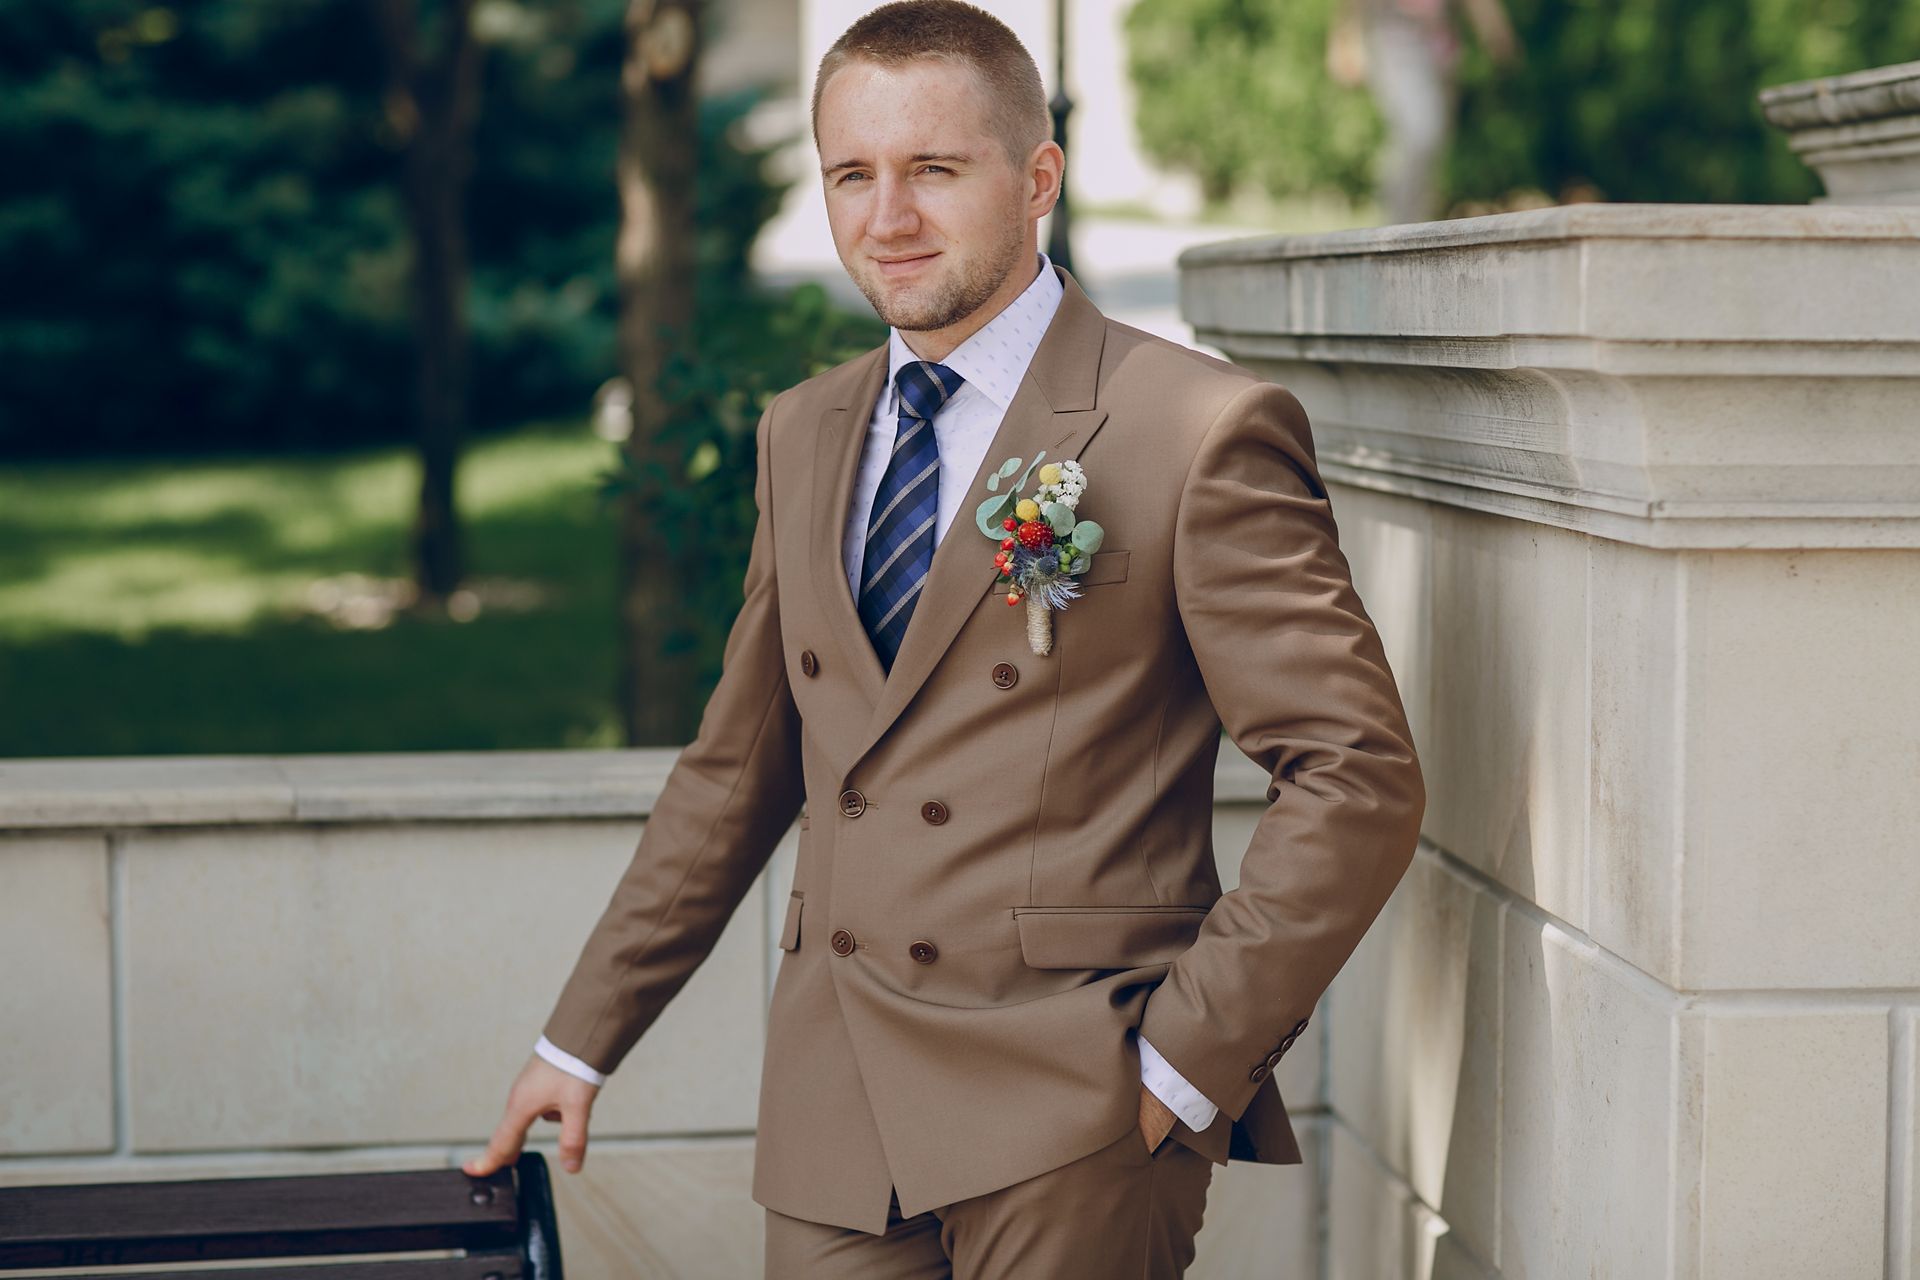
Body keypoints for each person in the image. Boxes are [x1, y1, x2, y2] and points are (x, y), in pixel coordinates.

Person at [465, 2, 1425, 1274]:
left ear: (1037, 180)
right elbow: (734, 769)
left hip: (1074, 1103)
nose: (887, 217)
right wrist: (579, 1041)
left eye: (932, 169)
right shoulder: (800, 432)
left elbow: (1357, 773)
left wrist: (1184, 1061)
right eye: (851, 174)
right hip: (837, 1107)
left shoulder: (1195, 428)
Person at [1327, 0, 1518, 223]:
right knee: (1423, 129)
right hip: (1393, 34)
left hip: (1440, 44)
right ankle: (1397, 219)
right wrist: (1344, 38)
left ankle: (1417, 223)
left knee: (1433, 147)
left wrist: (1494, 29)